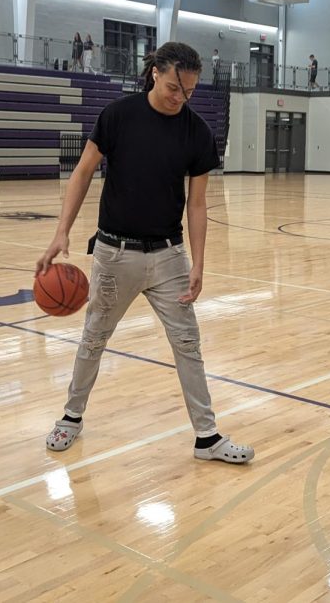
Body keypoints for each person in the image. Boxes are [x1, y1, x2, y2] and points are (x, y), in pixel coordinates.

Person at [37, 41, 254, 465]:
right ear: (155, 72)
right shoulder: (118, 117)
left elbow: (196, 203)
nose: (181, 97)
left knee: (188, 343)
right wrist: (61, 232)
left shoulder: (197, 132)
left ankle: (206, 438)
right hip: (115, 255)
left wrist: (200, 263)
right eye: (175, 87)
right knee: (94, 339)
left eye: (189, 91)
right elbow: (82, 173)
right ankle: (71, 417)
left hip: (169, 257)